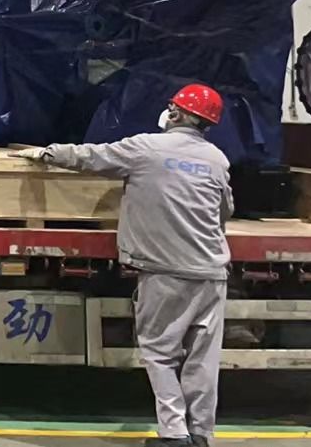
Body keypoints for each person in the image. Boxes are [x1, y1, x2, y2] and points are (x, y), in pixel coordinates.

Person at [16, 84, 233, 447]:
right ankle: (201, 434)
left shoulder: (146, 148)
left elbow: (91, 157)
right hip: (212, 272)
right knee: (202, 359)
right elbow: (225, 210)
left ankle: (174, 433)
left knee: (160, 353)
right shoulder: (217, 160)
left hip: (165, 271)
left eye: (172, 107)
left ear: (176, 114)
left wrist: (47, 153)